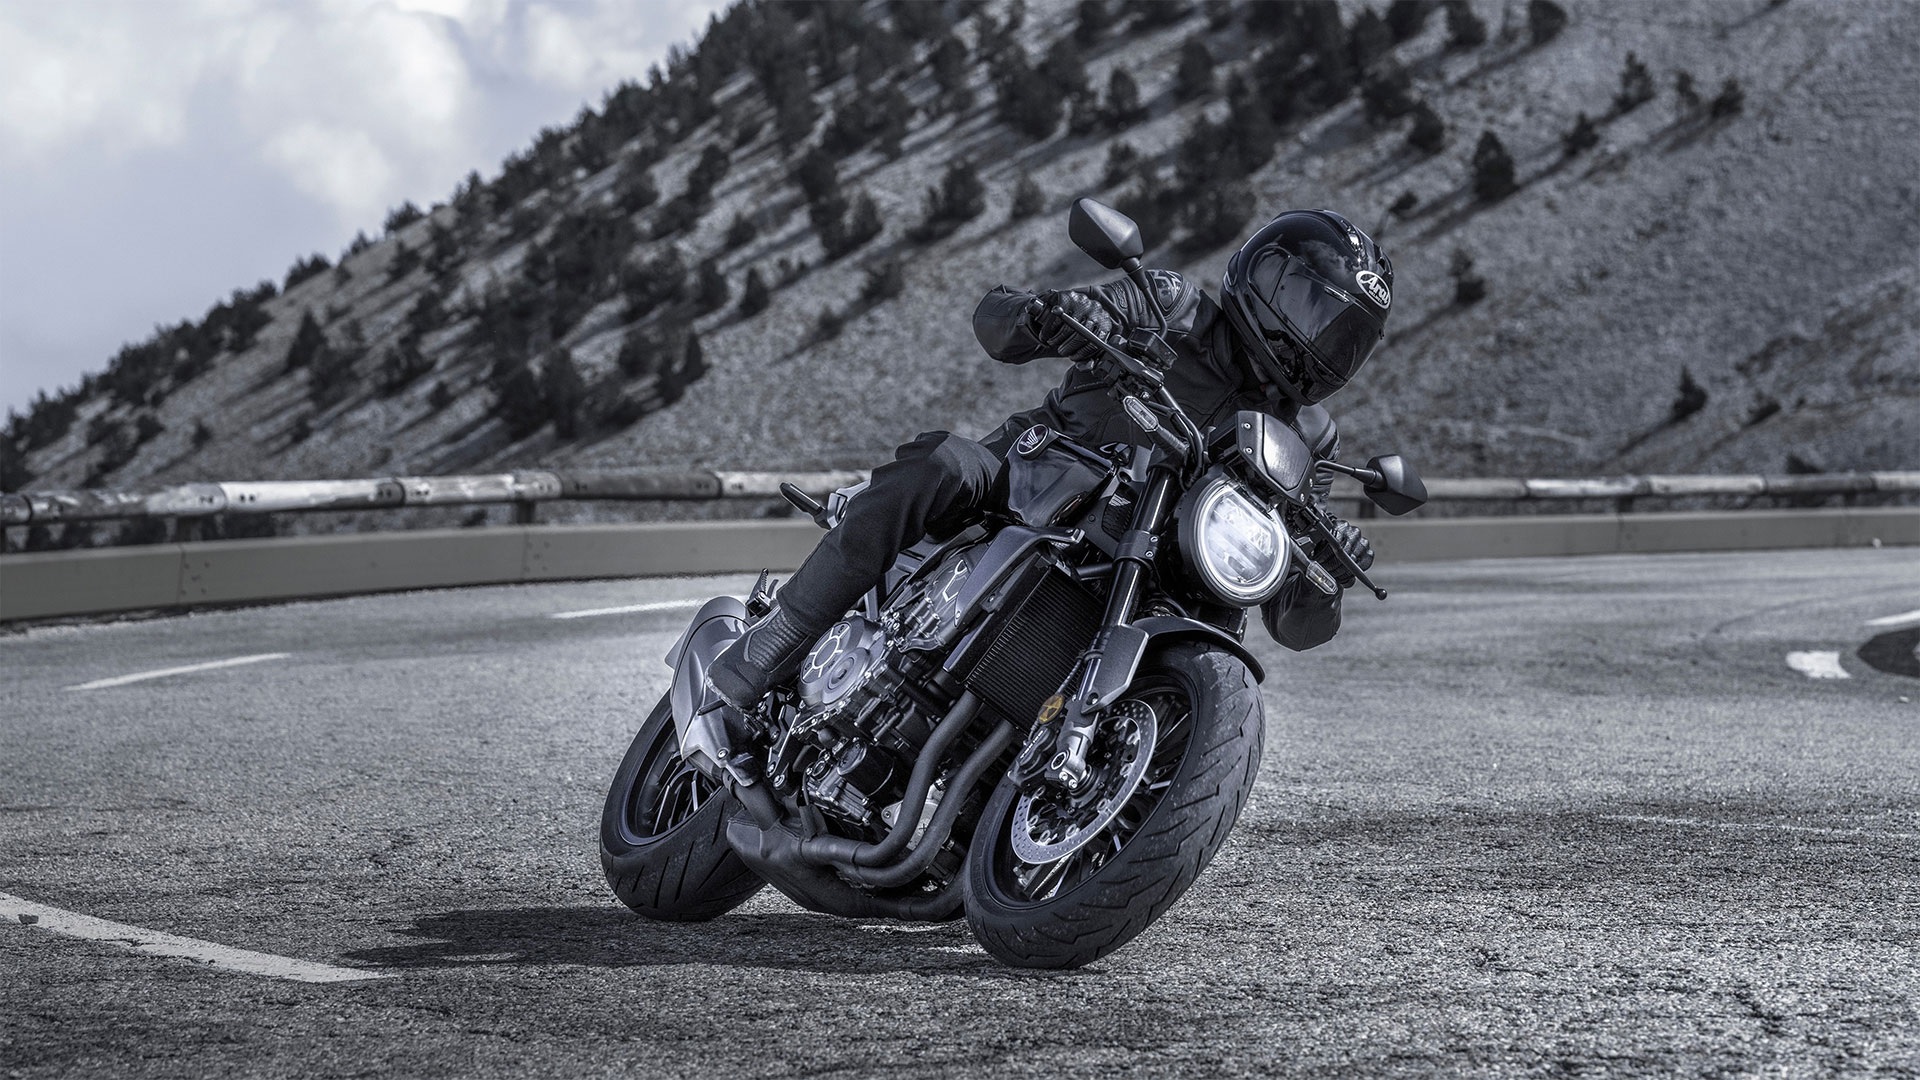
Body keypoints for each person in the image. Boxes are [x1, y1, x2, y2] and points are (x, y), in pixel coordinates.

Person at [710, 208, 1394, 710]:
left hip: (1157, 569)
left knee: (1215, 631)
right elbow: (996, 322)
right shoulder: (1172, 307)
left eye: (1344, 337)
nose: (1320, 343)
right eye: (1314, 311)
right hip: (1028, 484)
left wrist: (1324, 572)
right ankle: (778, 639)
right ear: (1268, 279)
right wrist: (1056, 315)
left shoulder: (1308, 438)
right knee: (941, 463)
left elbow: (1293, 623)